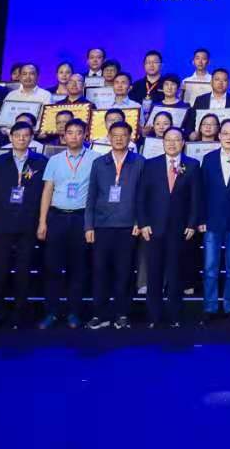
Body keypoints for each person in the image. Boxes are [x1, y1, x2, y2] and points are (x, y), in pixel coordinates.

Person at [0, 121, 48, 330]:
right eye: (17, 135)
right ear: (10, 137)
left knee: (24, 271)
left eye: (26, 135)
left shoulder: (40, 161)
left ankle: (20, 314)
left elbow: (45, 194)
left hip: (28, 224)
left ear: (31, 138)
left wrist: (41, 222)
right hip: (1, 223)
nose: (21, 138)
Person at [84, 120, 144, 329]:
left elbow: (143, 196)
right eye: (115, 135)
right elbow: (91, 195)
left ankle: (122, 313)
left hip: (128, 226)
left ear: (130, 137)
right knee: (100, 271)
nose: (119, 138)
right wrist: (88, 226)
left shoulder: (139, 162)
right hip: (102, 226)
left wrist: (139, 221)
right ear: (108, 138)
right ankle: (99, 314)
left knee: (124, 272)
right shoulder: (99, 163)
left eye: (123, 135)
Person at [137, 128, 198, 327]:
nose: (172, 143)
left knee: (175, 274)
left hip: (179, 229)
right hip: (154, 228)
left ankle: (174, 316)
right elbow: (141, 197)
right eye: (168, 140)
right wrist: (143, 223)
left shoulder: (192, 165)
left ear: (183, 143)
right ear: (163, 143)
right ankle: (154, 317)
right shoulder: (150, 164)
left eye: (176, 140)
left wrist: (192, 223)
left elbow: (196, 198)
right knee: (154, 274)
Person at [37, 118, 93, 328]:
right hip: (57, 217)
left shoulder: (95, 158)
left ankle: (73, 313)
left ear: (85, 135)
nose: (74, 136)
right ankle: (51, 312)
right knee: (52, 267)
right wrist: (42, 222)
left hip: (81, 218)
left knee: (77, 269)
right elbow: (47, 191)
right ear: (63, 136)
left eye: (79, 132)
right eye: (70, 132)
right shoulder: (55, 160)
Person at [198, 120, 230, 322]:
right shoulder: (208, 159)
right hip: (212, 221)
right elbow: (202, 191)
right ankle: (209, 307)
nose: (229, 137)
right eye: (225, 133)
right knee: (210, 268)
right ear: (219, 136)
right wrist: (201, 218)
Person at [185, 68, 230, 137]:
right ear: (211, 82)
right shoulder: (200, 100)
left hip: (227, 139)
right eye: (217, 79)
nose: (220, 83)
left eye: (224, 80)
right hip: (203, 139)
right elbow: (190, 123)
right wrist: (191, 134)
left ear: (228, 83)